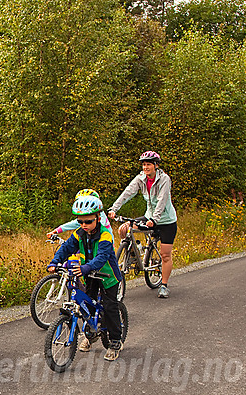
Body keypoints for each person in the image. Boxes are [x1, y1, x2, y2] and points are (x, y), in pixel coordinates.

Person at [48, 193, 125, 361]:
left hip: (107, 276)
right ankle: (90, 334)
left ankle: (115, 341)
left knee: (110, 307)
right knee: (86, 305)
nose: (84, 225)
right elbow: (67, 247)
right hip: (89, 274)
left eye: (88, 221)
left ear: (98, 218)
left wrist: (85, 267)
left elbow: (102, 257)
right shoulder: (79, 233)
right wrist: (55, 262)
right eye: (80, 221)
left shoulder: (105, 235)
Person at [106, 150, 177, 299]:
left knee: (165, 255)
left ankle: (163, 285)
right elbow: (127, 193)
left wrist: (155, 220)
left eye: (149, 164)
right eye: (144, 165)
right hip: (149, 216)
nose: (146, 167)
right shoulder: (141, 178)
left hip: (165, 221)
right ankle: (133, 253)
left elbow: (163, 201)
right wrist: (114, 208)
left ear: (156, 165)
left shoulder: (164, 179)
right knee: (124, 228)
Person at [46, 188, 113, 242]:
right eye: (80, 221)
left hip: (104, 243)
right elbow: (73, 224)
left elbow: (99, 230)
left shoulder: (100, 217)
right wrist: (56, 231)